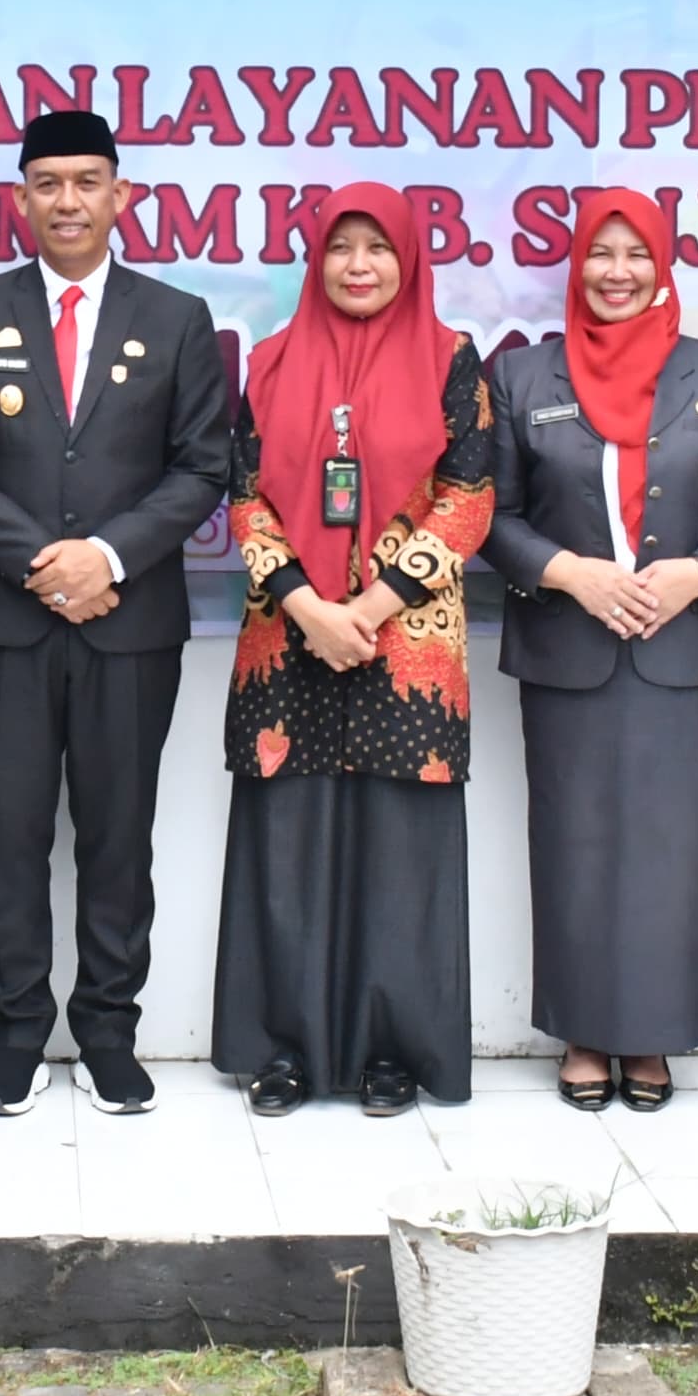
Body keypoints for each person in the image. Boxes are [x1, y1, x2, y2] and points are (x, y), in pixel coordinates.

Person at [0, 109, 237, 1116]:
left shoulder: (176, 318)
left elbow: (202, 466)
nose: (67, 200)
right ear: (20, 199)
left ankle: (106, 1032)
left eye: (86, 181)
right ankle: (14, 1033)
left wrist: (107, 557)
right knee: (9, 834)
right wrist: (43, 565)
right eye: (47, 183)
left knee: (117, 835)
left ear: (120, 195)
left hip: (129, 624)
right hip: (5, 624)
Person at [480, 187, 698, 1113]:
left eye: (636, 254)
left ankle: (652, 1034)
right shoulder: (523, 376)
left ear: (663, 265)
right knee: (573, 844)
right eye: (600, 255)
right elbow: (490, 514)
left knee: (671, 850)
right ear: (577, 266)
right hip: (568, 646)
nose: (617, 272)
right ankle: (582, 1032)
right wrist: (570, 573)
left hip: (681, 646)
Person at [210, 188, 496, 1116]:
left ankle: (391, 1051)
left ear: (410, 259)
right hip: (287, 641)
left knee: (400, 855)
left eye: (379, 247)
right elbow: (244, 494)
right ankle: (284, 1048)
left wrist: (368, 608)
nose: (360, 264)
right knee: (287, 848)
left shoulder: (451, 358)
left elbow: (469, 497)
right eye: (342, 247)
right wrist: (308, 608)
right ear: (317, 260)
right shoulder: (270, 360)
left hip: (407, 648)